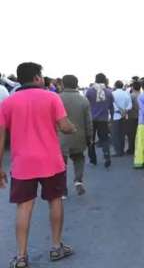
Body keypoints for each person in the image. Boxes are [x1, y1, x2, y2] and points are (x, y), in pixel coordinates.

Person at [0, 62, 77, 267]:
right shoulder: (52, 97)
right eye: (41, 76)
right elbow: (64, 126)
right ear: (36, 78)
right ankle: (55, 247)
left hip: (22, 164)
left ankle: (21, 256)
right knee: (54, 200)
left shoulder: (8, 103)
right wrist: (73, 128)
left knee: (23, 207)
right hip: (51, 161)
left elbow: (0, 138)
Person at [58, 75, 92, 197]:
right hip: (79, 136)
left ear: (63, 84)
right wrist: (89, 137)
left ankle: (62, 189)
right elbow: (88, 122)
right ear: (76, 84)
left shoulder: (57, 99)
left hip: (61, 138)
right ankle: (78, 181)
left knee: (61, 164)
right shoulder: (83, 100)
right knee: (79, 158)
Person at [84, 73, 114, 168]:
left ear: (95, 80)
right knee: (104, 139)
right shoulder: (108, 92)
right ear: (105, 80)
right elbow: (111, 107)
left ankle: (93, 160)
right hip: (103, 119)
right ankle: (106, 156)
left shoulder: (89, 91)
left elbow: (86, 106)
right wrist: (111, 118)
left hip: (91, 119)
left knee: (91, 140)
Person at [111, 80, 132, 157]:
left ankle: (118, 151)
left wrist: (119, 111)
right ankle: (122, 150)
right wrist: (125, 110)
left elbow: (112, 105)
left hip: (115, 116)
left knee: (115, 134)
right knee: (122, 134)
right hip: (125, 116)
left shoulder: (112, 94)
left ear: (115, 86)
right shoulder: (126, 93)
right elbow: (130, 105)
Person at [125, 81, 141, 155]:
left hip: (132, 117)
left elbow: (129, 106)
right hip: (140, 117)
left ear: (133, 87)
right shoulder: (141, 95)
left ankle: (131, 149)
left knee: (131, 134)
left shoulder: (131, 96)